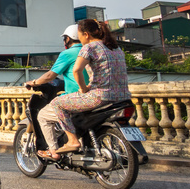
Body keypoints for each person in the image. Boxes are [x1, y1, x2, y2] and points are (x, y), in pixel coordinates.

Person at [38, 19, 131, 160]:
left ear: (86, 34)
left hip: (100, 97)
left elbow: (77, 70)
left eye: (80, 35)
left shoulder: (89, 47)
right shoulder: (116, 48)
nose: (80, 38)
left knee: (57, 103)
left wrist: (83, 89)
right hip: (123, 97)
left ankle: (72, 141)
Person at [25, 24, 86, 148]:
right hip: (94, 94)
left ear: (68, 39)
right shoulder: (90, 51)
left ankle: (53, 151)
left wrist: (34, 82)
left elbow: (50, 76)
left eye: (65, 38)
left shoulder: (68, 53)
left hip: (75, 97)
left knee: (42, 116)